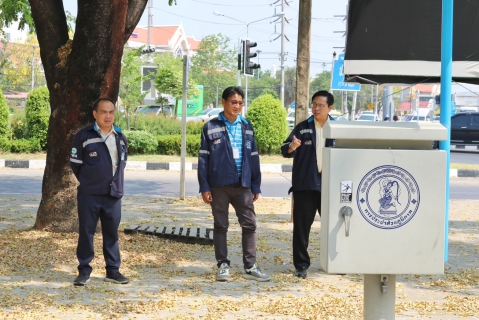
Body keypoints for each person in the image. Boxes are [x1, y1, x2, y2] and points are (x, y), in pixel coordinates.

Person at [197, 86, 271, 282]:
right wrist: (204, 187)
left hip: (243, 185)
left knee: (249, 225)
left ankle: (250, 265)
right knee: (220, 226)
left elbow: (254, 157)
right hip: (219, 185)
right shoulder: (210, 127)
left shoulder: (247, 126)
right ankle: (222, 265)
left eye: (240, 102)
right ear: (224, 102)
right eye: (233, 102)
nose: (237, 106)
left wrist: (255, 185)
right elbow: (203, 159)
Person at [70, 97, 129, 286]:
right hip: (89, 195)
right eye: (103, 112)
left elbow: (122, 163)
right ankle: (84, 270)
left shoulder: (119, 136)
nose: (108, 116)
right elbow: (76, 165)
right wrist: (90, 181)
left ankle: (113, 270)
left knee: (112, 234)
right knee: (86, 233)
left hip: (113, 195)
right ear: (95, 114)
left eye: (111, 112)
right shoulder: (84, 136)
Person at [281, 90, 335, 279]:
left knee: (335, 225)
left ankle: (336, 262)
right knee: (302, 228)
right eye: (314, 104)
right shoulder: (303, 128)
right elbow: (285, 149)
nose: (316, 108)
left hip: (331, 187)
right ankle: (301, 265)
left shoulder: (337, 128)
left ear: (330, 108)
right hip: (306, 185)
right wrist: (292, 146)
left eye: (321, 105)